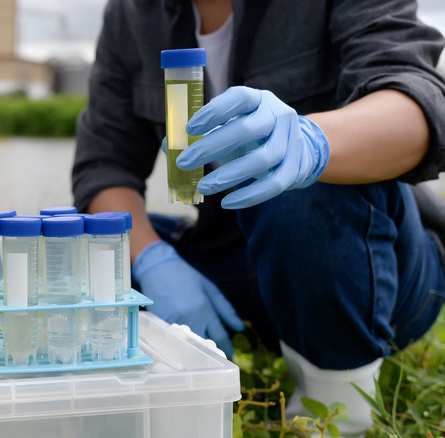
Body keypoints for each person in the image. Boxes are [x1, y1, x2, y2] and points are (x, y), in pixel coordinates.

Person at [72, 0, 445, 433]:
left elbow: (420, 100)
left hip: (367, 265)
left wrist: (313, 143)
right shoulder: (131, 13)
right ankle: (190, 354)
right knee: (85, 245)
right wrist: (152, 257)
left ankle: (337, 406)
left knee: (297, 189)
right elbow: (103, 165)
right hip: (232, 257)